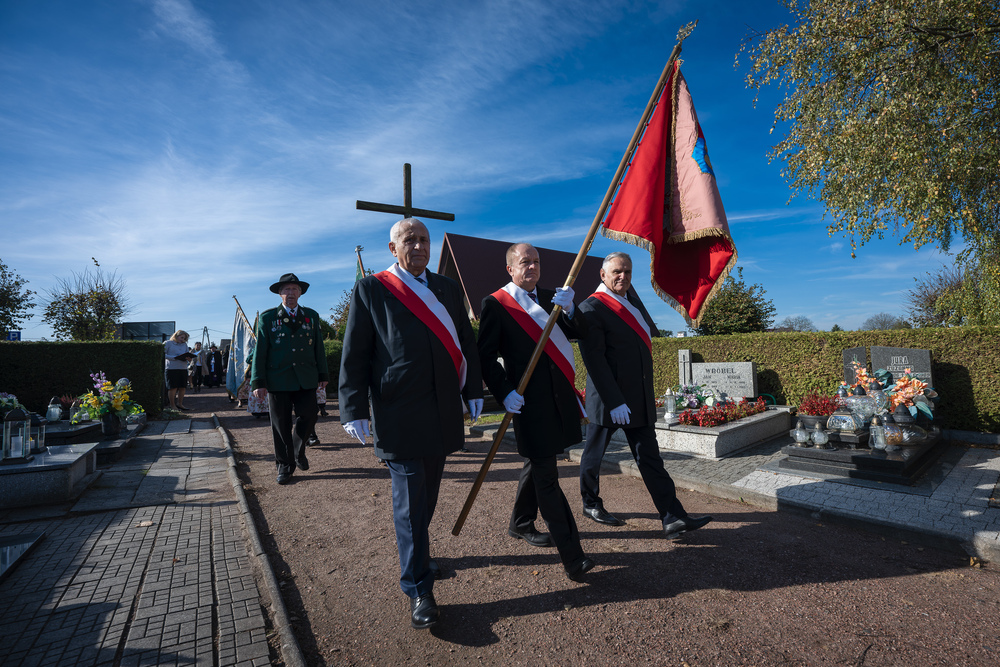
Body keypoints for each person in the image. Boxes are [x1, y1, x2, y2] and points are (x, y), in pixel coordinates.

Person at [339, 217, 483, 630]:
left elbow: (466, 341)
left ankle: (419, 553)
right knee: (410, 500)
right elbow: (355, 352)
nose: (419, 246)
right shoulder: (372, 288)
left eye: (424, 239)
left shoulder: (447, 288)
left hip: (441, 409)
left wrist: (473, 388)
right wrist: (353, 408)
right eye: (409, 240)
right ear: (393, 248)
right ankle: (418, 586)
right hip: (397, 411)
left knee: (428, 495)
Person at [477, 242, 595, 582]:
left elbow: (581, 333)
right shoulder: (496, 304)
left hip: (558, 400)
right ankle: (573, 555)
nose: (532, 267)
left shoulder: (551, 298)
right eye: (525, 262)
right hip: (527, 403)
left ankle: (520, 522)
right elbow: (485, 358)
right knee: (547, 477)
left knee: (538, 461)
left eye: (537, 261)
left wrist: (571, 309)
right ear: (510, 269)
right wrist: (504, 392)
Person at [577, 252, 712, 539]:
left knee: (650, 458)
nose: (622, 276)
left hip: (636, 399)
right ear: (603, 274)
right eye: (617, 271)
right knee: (594, 455)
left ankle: (672, 517)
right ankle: (590, 503)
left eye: (627, 271)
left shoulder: (633, 304)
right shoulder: (590, 307)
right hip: (608, 400)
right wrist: (615, 401)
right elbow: (594, 360)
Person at [251, 273, 329, 485]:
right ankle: (285, 466)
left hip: (306, 377)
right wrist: (258, 381)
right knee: (281, 425)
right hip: (278, 379)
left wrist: (323, 374)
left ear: (300, 293)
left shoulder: (311, 316)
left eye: (295, 289)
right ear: (280, 293)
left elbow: (318, 346)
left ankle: (297, 450)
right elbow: (260, 352)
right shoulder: (268, 318)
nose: (291, 293)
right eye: (286, 289)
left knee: (309, 415)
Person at [163, 330, 193, 411]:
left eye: (184, 338)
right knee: (173, 387)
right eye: (181, 337)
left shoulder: (184, 345)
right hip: (171, 368)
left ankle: (180, 404)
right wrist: (174, 358)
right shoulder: (168, 343)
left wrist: (189, 358)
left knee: (182, 387)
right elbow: (162, 354)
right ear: (176, 336)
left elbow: (187, 353)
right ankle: (172, 405)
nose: (183, 340)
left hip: (183, 368)